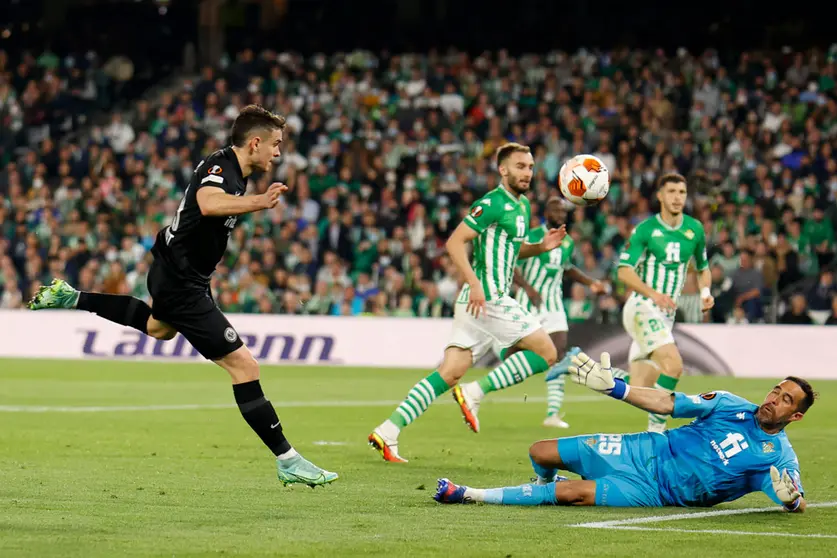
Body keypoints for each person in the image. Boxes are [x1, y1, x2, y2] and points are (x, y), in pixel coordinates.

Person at [28, 105, 338, 487]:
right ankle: (288, 459)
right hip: (180, 283)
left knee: (160, 329)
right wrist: (259, 202)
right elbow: (208, 204)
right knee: (245, 367)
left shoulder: (234, 173)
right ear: (254, 143)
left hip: (179, 275)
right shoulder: (222, 168)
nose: (278, 152)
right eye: (275, 144)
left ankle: (73, 297)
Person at [368, 143, 566, 462]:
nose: (527, 173)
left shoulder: (524, 206)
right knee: (547, 352)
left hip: (476, 303)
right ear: (503, 170)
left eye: (530, 167)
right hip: (489, 297)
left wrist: (540, 247)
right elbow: (454, 242)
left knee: (449, 372)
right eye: (519, 167)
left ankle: (388, 431)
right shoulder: (491, 202)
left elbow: (511, 249)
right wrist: (474, 283)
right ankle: (475, 392)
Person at [434, 351, 814, 512]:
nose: (773, 400)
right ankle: (539, 482)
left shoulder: (778, 458)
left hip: (655, 491)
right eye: (775, 391)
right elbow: (668, 403)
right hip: (645, 450)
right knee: (540, 451)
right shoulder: (728, 403)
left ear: (794, 417)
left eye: (785, 401)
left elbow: (794, 497)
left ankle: (469, 494)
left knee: (569, 493)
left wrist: (791, 500)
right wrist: (615, 388)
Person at [485, 197, 608, 428]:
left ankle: (552, 414)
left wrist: (590, 283)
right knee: (512, 356)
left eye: (563, 210)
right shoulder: (531, 236)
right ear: (545, 212)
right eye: (554, 209)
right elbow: (512, 263)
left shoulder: (568, 242)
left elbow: (567, 268)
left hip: (553, 306)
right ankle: (487, 376)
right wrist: (528, 288)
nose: (560, 213)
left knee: (558, 354)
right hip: (528, 304)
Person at [617, 173, 714, 432]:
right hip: (642, 307)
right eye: (671, 192)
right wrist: (653, 293)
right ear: (660, 196)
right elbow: (624, 270)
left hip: (665, 316)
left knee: (638, 389)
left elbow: (703, 268)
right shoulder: (646, 230)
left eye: (681, 193)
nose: (677, 198)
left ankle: (584, 369)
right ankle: (655, 437)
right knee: (674, 366)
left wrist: (705, 292)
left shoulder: (694, 229)